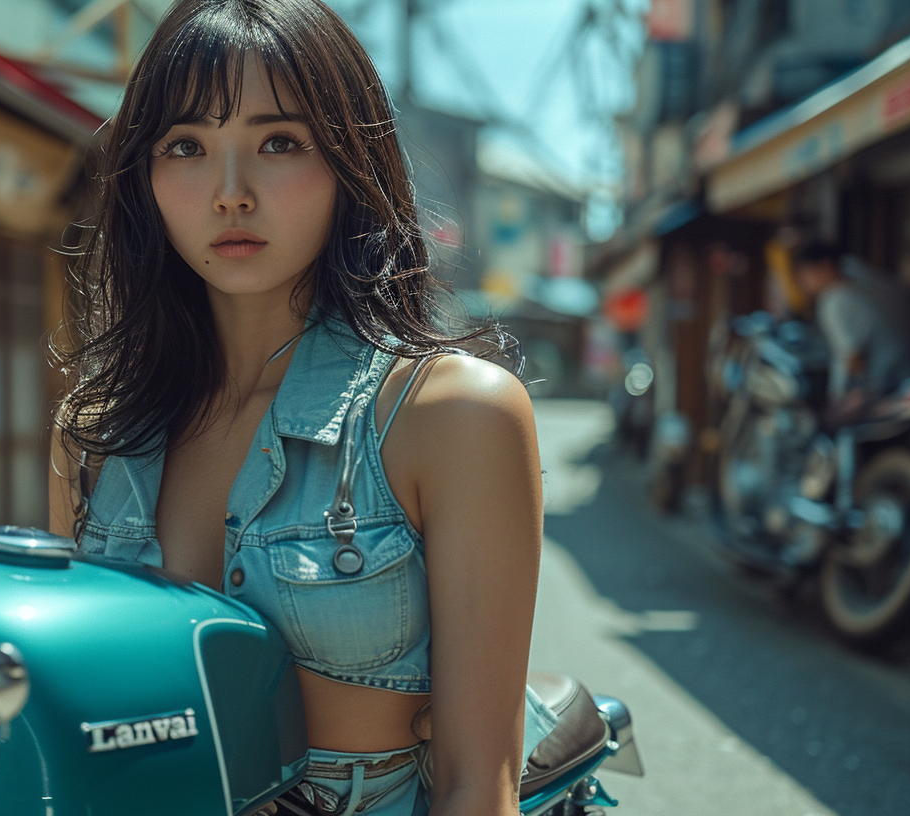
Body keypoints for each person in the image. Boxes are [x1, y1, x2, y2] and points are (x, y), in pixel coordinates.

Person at [48, 1, 557, 813]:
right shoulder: (95, 433)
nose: (230, 193)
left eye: (278, 142)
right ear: (142, 176)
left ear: (350, 161)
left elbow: (475, 782)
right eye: (185, 146)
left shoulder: (452, 415)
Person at [793, 241, 910, 420]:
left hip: (886, 385)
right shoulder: (862, 282)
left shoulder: (834, 301)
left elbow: (853, 359)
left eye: (805, 274)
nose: (803, 282)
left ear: (825, 266)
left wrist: (838, 399)